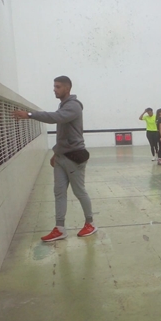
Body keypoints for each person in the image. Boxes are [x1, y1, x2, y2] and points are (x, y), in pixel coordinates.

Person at [12, 76, 97, 242]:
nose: (54, 89)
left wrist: (29, 115)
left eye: (58, 87)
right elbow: (64, 134)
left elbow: (55, 118)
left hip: (74, 157)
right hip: (61, 157)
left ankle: (90, 223)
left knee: (79, 191)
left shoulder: (73, 106)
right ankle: (60, 228)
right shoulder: (63, 105)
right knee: (59, 192)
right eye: (54, 86)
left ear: (67, 88)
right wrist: (56, 153)